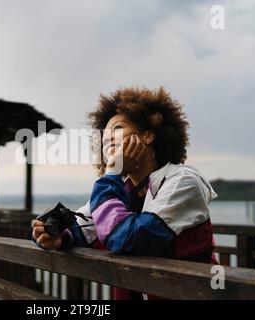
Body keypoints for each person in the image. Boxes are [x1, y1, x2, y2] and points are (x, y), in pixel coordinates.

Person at [31, 87, 218, 299]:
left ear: (147, 136)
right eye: (104, 136)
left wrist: (112, 172)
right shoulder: (120, 189)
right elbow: (82, 229)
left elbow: (125, 238)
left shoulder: (183, 181)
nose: (107, 139)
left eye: (117, 129)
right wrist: (56, 237)